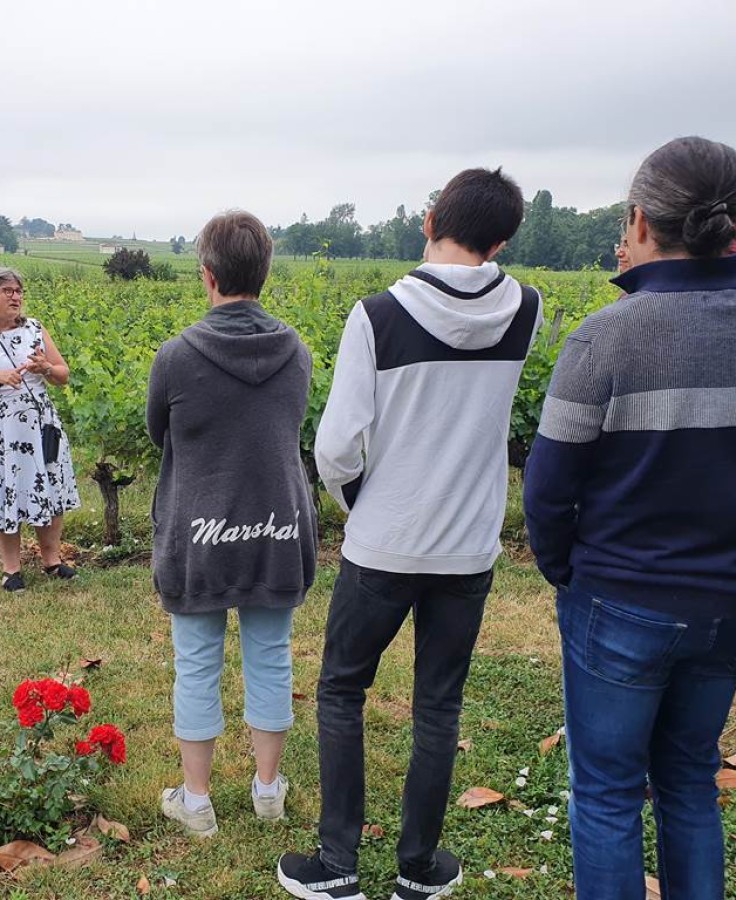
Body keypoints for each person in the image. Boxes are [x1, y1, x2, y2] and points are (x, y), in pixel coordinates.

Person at [524, 136, 736, 899]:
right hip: (735, 605)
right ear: (731, 220)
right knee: (690, 781)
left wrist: (566, 569)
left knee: (607, 793)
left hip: (620, 600)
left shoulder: (606, 336)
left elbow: (547, 488)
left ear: (640, 221)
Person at [278, 169, 540, 900]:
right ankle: (418, 867)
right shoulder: (529, 310)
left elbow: (334, 447)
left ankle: (336, 866)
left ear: (429, 220)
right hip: (469, 546)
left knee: (342, 691)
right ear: (503, 239)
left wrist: (362, 500)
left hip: (384, 543)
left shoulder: (378, 315)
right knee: (438, 705)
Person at [147, 210, 317, 838]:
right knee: (270, 656)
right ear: (264, 273)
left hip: (199, 534)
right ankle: (268, 789)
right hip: (277, 528)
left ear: (207, 275)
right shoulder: (295, 351)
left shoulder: (175, 357)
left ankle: (197, 801)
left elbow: (158, 430)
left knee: (196, 662)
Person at [0, 267, 80, 592]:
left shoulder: (35, 329)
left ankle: (51, 560)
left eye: (18, 291)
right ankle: (12, 568)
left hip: (40, 426)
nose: (15, 297)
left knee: (48, 486)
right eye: (7, 291)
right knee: (4, 490)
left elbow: (62, 374)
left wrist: (46, 368)